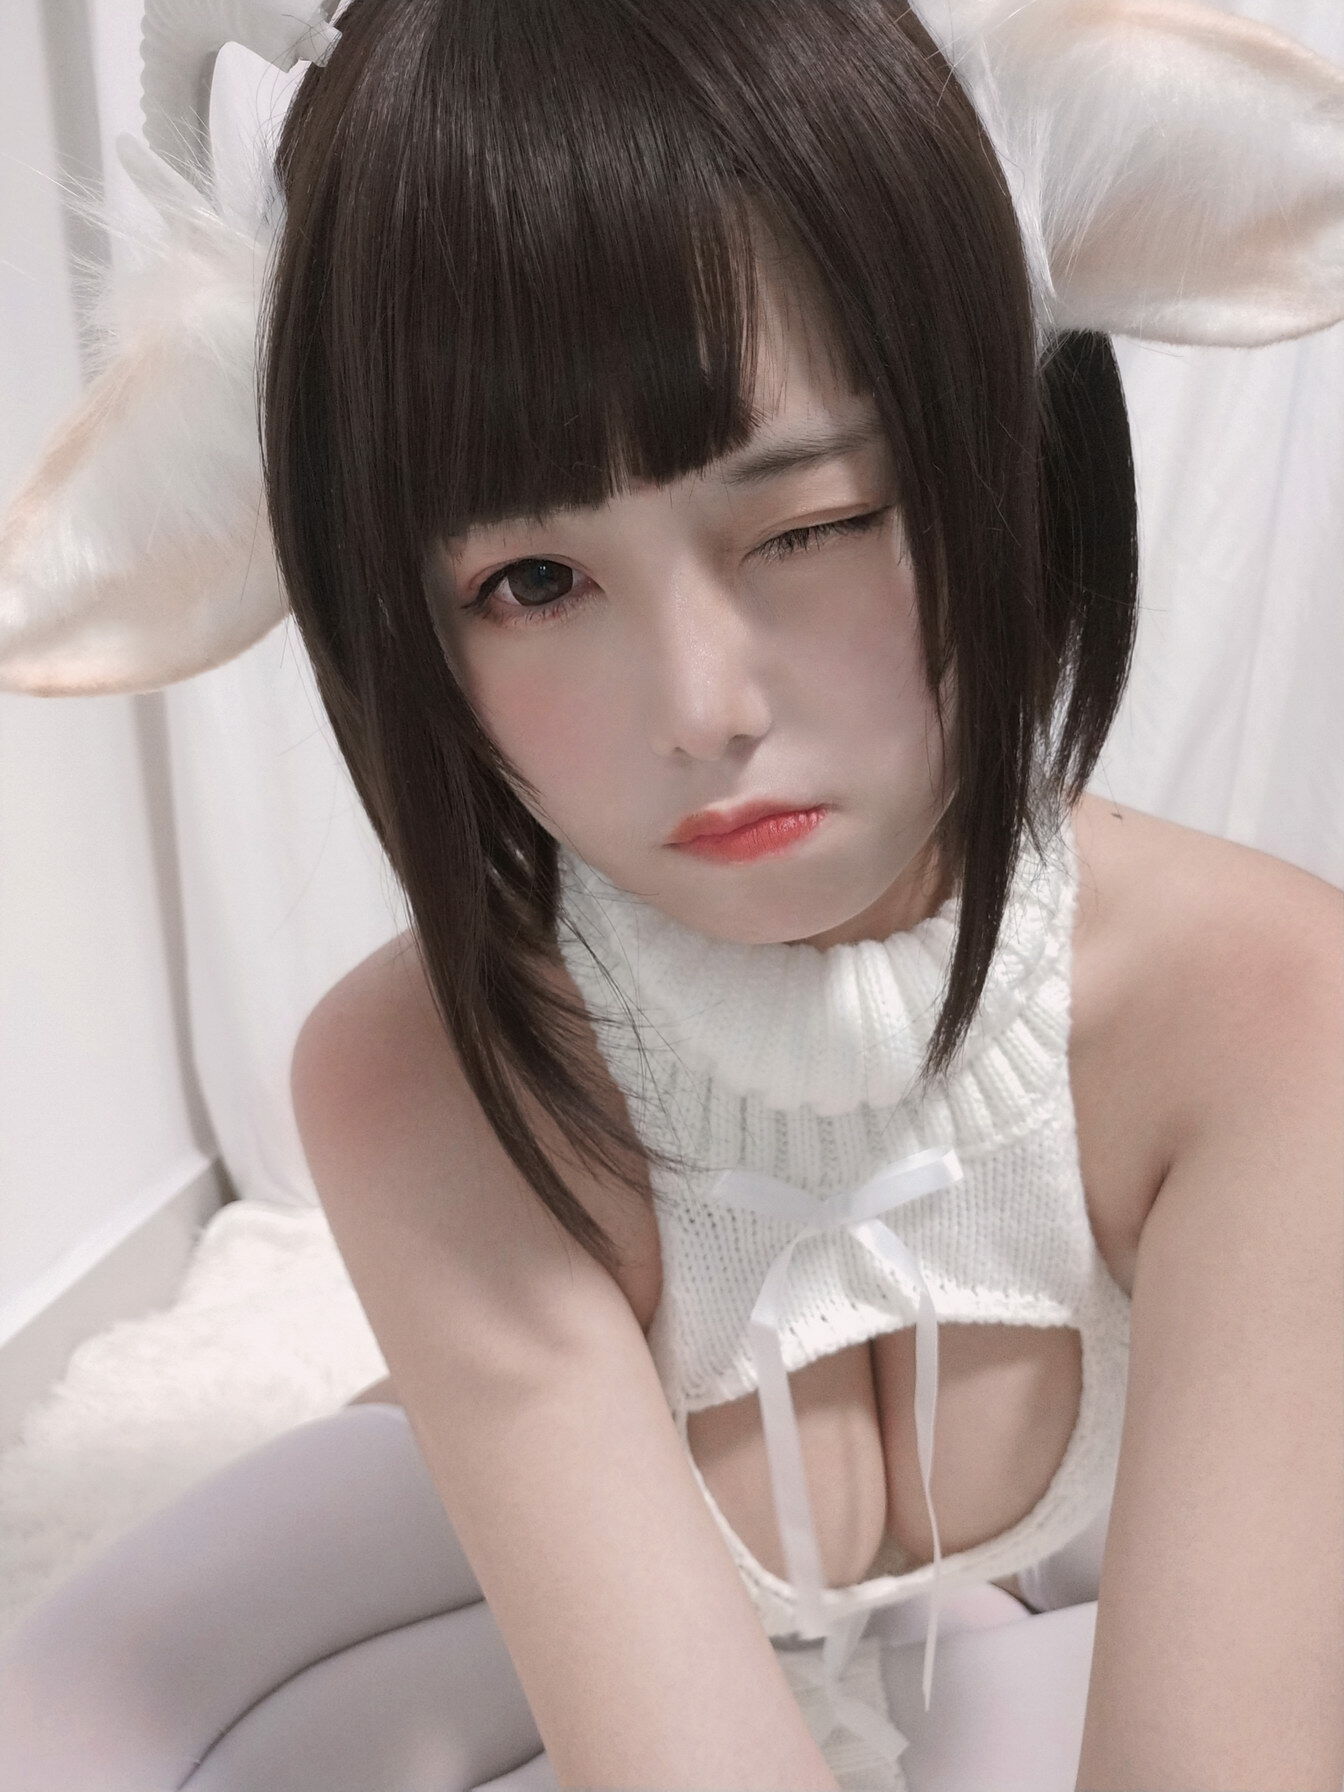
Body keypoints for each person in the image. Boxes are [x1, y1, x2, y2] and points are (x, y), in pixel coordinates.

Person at [0, 1, 1341, 1788]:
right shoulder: (419, 1078)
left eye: (811, 522)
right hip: (523, 1509)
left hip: (1060, 1512)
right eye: (534, 582)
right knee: (73, 1716)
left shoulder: (1260, 1004)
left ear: (1010, 447)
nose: (700, 709)